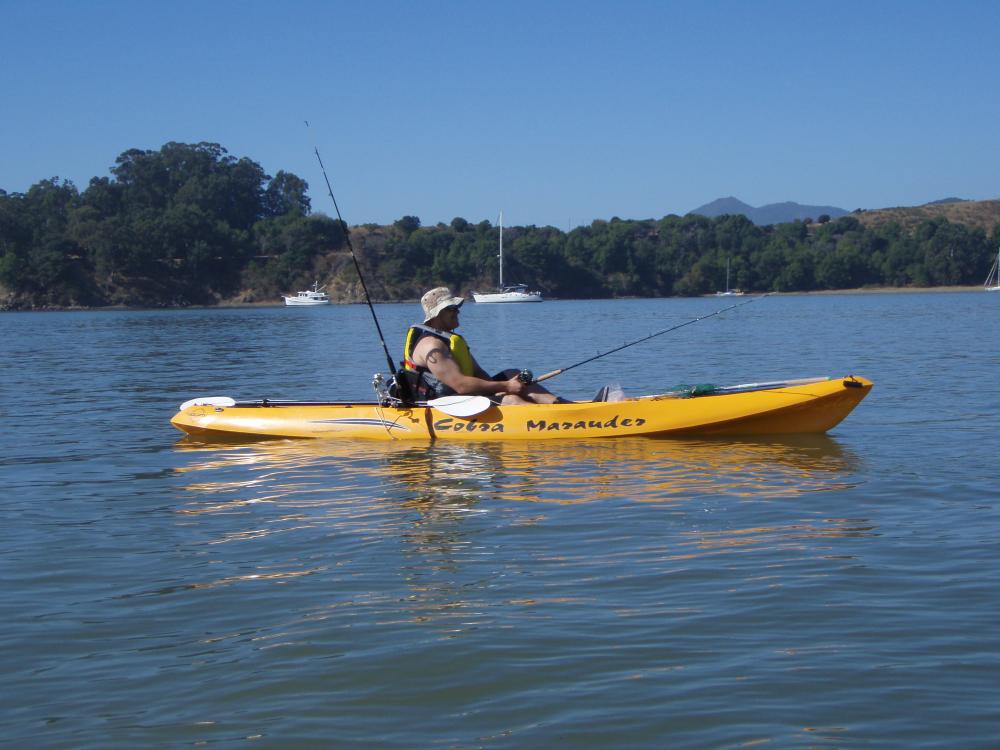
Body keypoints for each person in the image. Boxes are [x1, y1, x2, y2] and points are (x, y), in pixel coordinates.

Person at [401, 287, 567, 405]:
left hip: (466, 395)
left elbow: (478, 372)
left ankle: (562, 406)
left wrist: (501, 388)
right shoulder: (432, 346)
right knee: (511, 400)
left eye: (457, 307)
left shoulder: (450, 339)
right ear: (436, 314)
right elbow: (460, 385)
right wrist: (507, 387)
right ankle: (549, 421)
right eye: (451, 308)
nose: (458, 311)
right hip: (445, 403)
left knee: (513, 374)